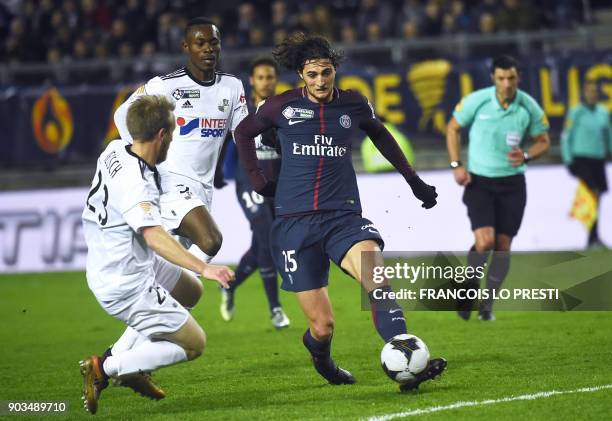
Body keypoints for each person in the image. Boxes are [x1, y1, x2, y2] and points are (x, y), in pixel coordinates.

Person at [234, 33, 446, 391]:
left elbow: (382, 137)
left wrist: (414, 182)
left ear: (335, 71)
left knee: (377, 282)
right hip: (294, 225)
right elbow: (242, 133)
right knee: (322, 327)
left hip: (343, 218)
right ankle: (324, 361)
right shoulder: (280, 107)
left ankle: (407, 364)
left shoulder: (353, 105)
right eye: (312, 74)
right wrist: (256, 178)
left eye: (326, 73)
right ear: (301, 74)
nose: (320, 81)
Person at [80, 95, 234, 414]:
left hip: (117, 262)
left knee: (189, 290)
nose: (172, 142)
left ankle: (127, 363)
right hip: (125, 283)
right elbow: (153, 236)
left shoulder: (115, 149)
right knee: (194, 344)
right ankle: (106, 368)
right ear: (162, 136)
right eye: (172, 136)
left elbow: (128, 116)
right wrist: (204, 267)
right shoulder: (137, 184)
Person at [114, 17, 248, 262]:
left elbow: (244, 135)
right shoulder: (166, 86)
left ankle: (165, 298)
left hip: (203, 189)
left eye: (213, 42)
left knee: (181, 269)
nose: (208, 48)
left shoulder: (232, 86)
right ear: (186, 47)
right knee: (211, 240)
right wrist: (144, 159)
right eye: (200, 43)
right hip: (171, 181)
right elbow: (122, 115)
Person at [446, 55, 550, 321]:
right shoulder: (477, 101)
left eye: (511, 78)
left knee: (503, 245)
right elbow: (453, 128)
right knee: (486, 241)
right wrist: (457, 164)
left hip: (513, 184)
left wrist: (527, 155)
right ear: (493, 78)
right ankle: (468, 291)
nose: (506, 84)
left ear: (519, 78)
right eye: (501, 78)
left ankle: (487, 305)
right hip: (479, 181)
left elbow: (543, 140)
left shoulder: (529, 107)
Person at [219, 57, 290, 328]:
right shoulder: (240, 110)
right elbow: (225, 140)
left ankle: (229, 285)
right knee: (268, 235)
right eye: (260, 77)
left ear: (276, 79)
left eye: (270, 77)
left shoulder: (286, 108)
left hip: (279, 183)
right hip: (249, 182)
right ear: (252, 81)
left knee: (262, 244)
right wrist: (217, 174)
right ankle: (275, 309)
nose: (265, 82)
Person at [561, 80, 611, 248]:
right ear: (584, 93)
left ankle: (592, 237)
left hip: (598, 159)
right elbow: (566, 137)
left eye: (595, 91)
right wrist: (568, 160)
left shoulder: (603, 112)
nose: (592, 94)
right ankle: (593, 236)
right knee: (593, 192)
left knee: (597, 196)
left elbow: (608, 135)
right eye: (589, 91)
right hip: (581, 159)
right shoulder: (576, 113)